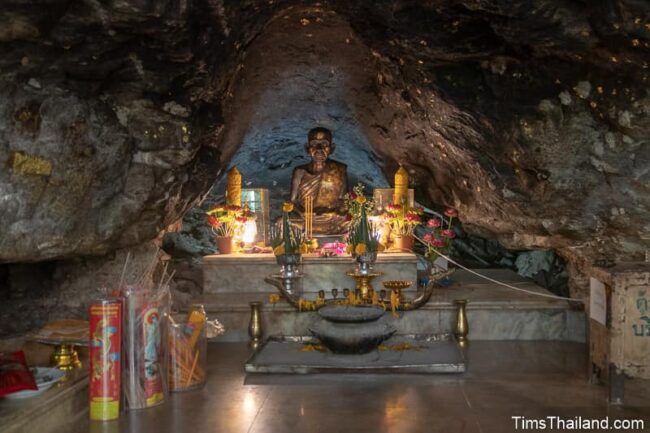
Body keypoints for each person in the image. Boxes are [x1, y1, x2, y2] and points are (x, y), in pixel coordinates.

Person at [289, 127, 349, 234]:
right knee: (283, 222)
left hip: (331, 219)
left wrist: (334, 213)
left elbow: (344, 201)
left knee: (352, 223)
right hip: (306, 220)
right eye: (314, 144)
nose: (319, 149)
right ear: (307, 148)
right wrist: (303, 213)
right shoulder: (300, 172)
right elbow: (292, 201)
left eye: (325, 144)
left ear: (332, 148)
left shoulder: (339, 170)